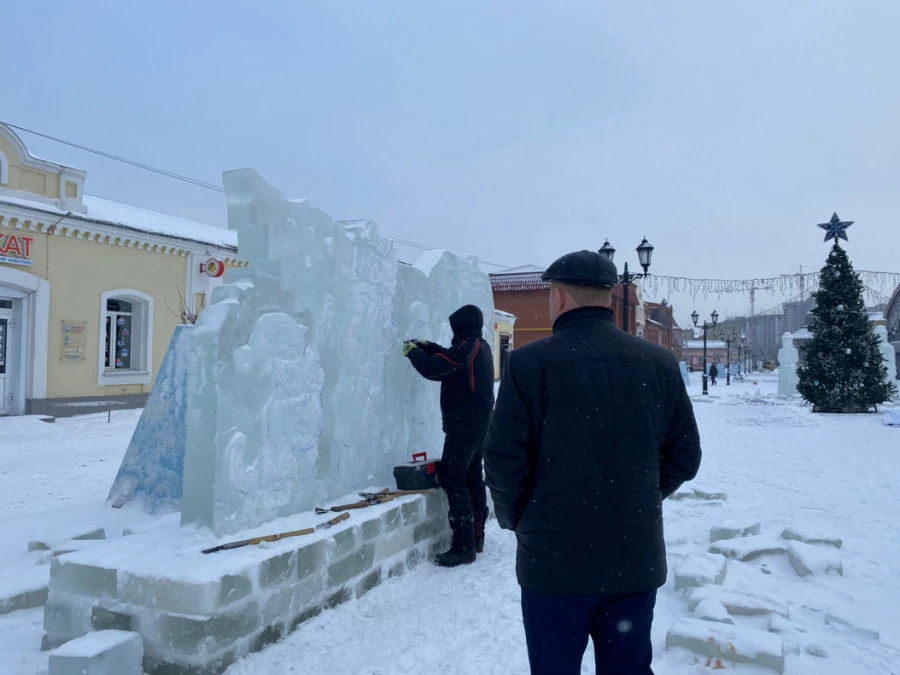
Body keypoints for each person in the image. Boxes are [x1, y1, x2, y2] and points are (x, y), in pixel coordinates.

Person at [483, 250, 702, 674]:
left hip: (553, 564)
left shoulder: (529, 364)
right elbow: (685, 457)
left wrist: (519, 519)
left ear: (561, 299)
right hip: (633, 559)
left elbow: (503, 462)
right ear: (608, 297)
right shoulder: (658, 363)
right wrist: (641, 496)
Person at [403, 304, 495, 567]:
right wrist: (429, 345)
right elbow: (450, 357)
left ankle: (464, 546)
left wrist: (414, 353)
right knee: (472, 477)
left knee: (453, 479)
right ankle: (476, 537)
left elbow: (436, 368)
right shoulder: (480, 345)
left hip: (464, 426)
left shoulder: (468, 348)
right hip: (478, 424)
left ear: (461, 327)